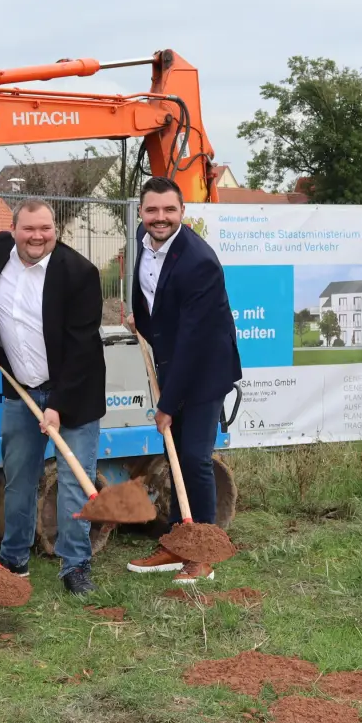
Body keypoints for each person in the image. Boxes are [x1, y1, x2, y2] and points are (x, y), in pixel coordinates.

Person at [0, 199, 106, 596]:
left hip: (73, 394)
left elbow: (82, 349)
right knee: (18, 479)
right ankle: (14, 561)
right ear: (13, 229)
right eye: (29, 229)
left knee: (73, 482)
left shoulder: (79, 273)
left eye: (45, 228)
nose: (37, 236)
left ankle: (75, 565)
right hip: (20, 388)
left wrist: (57, 405)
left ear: (55, 230)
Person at [124, 176, 242, 585]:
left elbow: (195, 339)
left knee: (192, 458)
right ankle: (177, 543)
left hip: (206, 366)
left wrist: (168, 404)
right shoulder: (143, 239)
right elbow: (148, 293)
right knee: (174, 456)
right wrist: (139, 318)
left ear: (182, 213)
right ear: (142, 213)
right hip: (173, 360)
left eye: (169, 210)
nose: (160, 218)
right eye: (152, 210)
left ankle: (203, 552)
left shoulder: (198, 261)